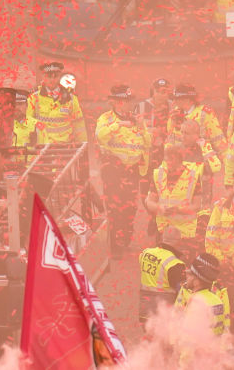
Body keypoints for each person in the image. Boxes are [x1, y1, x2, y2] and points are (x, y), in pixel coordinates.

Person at [94, 84, 149, 255]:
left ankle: (125, 237)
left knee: (130, 207)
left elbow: (147, 143)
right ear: (116, 102)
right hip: (113, 169)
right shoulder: (106, 118)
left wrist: (140, 126)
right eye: (125, 101)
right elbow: (100, 136)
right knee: (114, 208)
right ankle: (115, 244)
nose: (129, 104)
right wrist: (118, 125)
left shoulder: (136, 118)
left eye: (130, 100)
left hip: (132, 170)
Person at [136, 228, 186, 324]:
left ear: (162, 238)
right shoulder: (175, 264)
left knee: (148, 337)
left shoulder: (145, 253)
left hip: (144, 310)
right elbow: (181, 290)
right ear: (178, 242)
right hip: (162, 313)